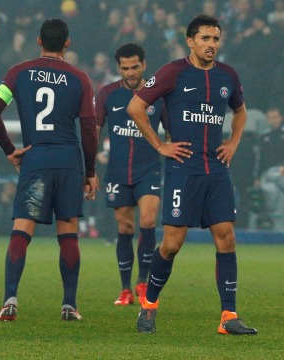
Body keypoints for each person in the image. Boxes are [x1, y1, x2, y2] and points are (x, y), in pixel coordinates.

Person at [127, 14, 257, 335]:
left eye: (215, 39)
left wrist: (233, 141)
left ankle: (228, 316)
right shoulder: (173, 72)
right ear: (190, 41)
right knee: (172, 244)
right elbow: (135, 107)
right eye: (205, 39)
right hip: (182, 170)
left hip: (216, 170)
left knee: (226, 238)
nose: (211, 44)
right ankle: (149, 307)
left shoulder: (228, 76)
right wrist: (160, 145)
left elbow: (240, 110)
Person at [0, 18, 98, 321]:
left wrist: (10, 150)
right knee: (69, 232)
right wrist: (90, 171)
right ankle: (69, 306)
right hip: (69, 162)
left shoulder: (18, 73)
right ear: (67, 44)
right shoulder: (80, 79)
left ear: (38, 41)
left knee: (22, 230)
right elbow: (89, 128)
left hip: (35, 159)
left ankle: (9, 300)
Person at [95, 43, 169, 306]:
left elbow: (170, 132)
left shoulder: (158, 95)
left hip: (148, 169)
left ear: (143, 65)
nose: (130, 72)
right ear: (119, 68)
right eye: (125, 68)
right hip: (117, 171)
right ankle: (125, 288)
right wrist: (90, 166)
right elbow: (95, 129)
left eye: (134, 67)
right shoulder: (107, 94)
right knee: (124, 227)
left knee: (148, 222)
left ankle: (143, 282)